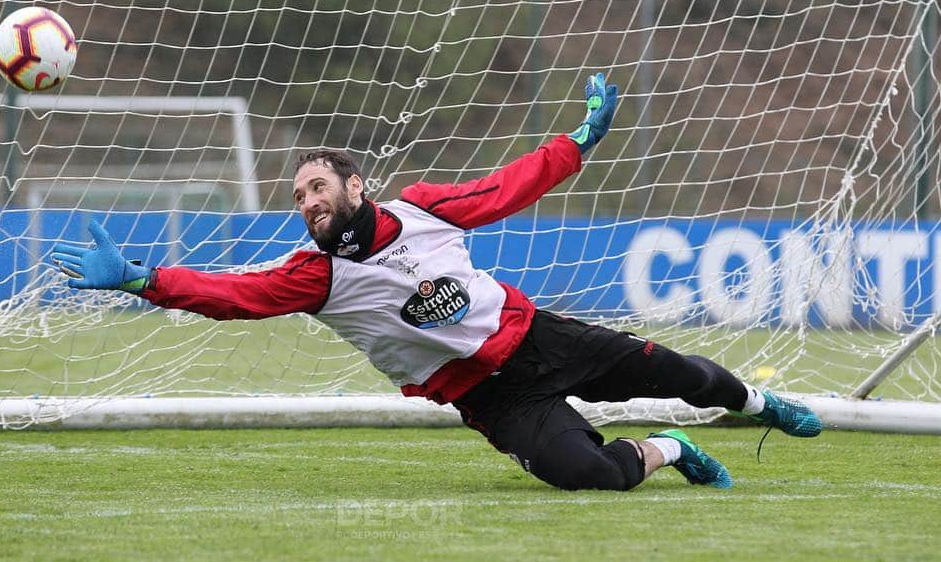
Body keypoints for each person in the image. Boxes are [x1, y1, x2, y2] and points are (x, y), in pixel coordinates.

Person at [51, 73, 822, 491]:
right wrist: (144, 280)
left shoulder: (420, 207)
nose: (307, 202)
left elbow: (505, 187)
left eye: (317, 186)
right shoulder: (311, 277)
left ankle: (760, 404)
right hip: (488, 396)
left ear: (356, 184)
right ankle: (671, 448)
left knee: (686, 371)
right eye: (297, 197)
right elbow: (231, 296)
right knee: (592, 476)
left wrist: (579, 140)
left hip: (538, 338)